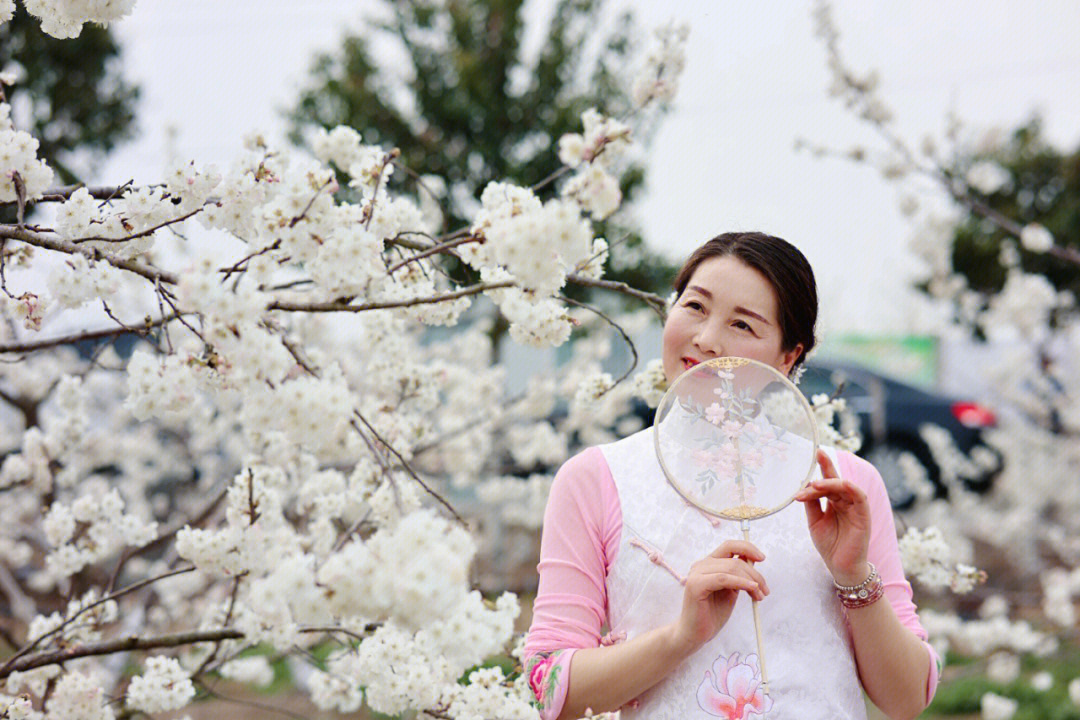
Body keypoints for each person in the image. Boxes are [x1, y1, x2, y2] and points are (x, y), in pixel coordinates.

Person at [523, 232, 939, 720]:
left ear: (789, 356)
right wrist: (681, 637)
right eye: (695, 306)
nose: (706, 338)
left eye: (742, 324)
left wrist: (853, 576)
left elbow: (908, 699)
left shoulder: (844, 484)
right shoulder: (596, 479)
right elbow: (548, 688)